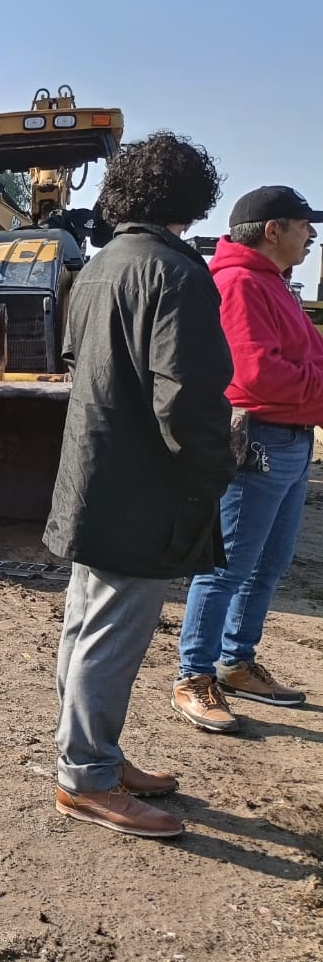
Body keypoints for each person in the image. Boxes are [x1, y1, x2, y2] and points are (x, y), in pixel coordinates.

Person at [44, 131, 233, 839]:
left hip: (93, 478)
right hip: (143, 487)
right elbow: (184, 398)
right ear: (190, 197)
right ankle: (87, 778)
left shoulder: (97, 268)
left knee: (86, 625)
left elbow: (79, 366)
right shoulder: (177, 274)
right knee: (111, 636)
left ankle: (92, 757)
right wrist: (216, 467)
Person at [173, 186, 323, 730]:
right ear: (272, 229)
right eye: (305, 225)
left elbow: (301, 361)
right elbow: (257, 375)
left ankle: (236, 662)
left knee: (269, 563)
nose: (313, 235)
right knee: (228, 566)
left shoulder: (270, 283)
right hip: (260, 440)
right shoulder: (238, 284)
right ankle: (194, 677)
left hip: (288, 439)